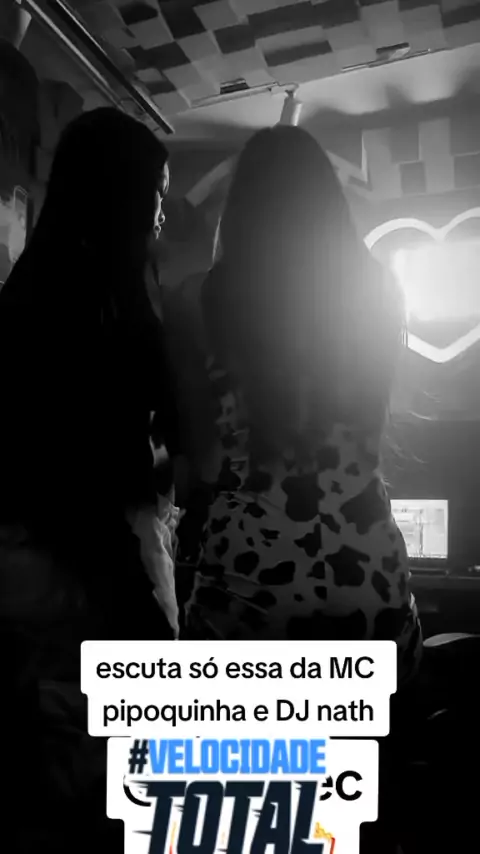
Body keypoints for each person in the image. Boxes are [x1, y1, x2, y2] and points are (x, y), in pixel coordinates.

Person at [182, 125, 422, 686]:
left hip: (249, 587)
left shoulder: (201, 300)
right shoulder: (380, 292)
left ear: (241, 209)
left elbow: (207, 462)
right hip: (371, 579)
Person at [0, 107, 179, 648]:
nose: (161, 214)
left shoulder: (41, 284)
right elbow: (81, 471)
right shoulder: (87, 305)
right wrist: (138, 604)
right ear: (121, 194)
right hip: (85, 570)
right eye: (156, 193)